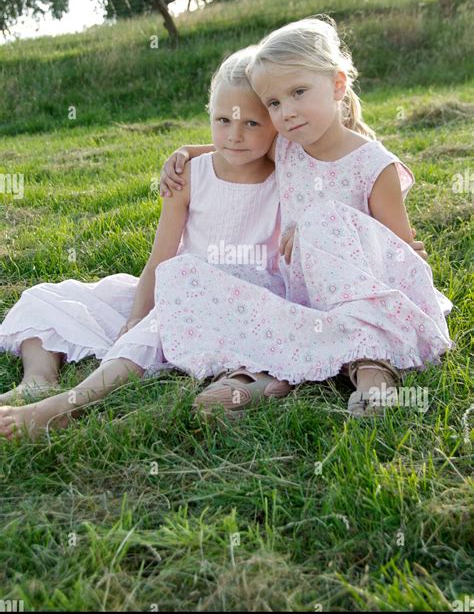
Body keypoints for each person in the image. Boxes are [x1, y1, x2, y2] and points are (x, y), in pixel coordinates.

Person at [156, 15, 455, 419]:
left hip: (362, 299)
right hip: (299, 296)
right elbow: (235, 142)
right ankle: (265, 372)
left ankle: (372, 368)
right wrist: (185, 154)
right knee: (185, 273)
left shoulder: (373, 165)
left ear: (337, 84)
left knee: (320, 221)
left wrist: (323, 231)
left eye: (298, 92)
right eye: (275, 103)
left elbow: (398, 254)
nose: (287, 112)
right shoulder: (287, 147)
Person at [0, 48, 291, 439]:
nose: (234, 135)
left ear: (275, 123)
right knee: (49, 298)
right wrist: (136, 316)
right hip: (175, 287)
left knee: (169, 309)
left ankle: (68, 405)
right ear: (210, 114)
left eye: (252, 123)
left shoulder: (286, 176)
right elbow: (161, 259)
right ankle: (39, 378)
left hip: (238, 302)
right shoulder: (189, 175)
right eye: (223, 120)